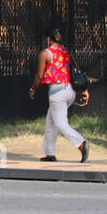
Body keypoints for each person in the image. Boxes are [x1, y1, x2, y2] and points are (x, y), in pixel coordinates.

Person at [29, 25, 89, 162]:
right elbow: (77, 72)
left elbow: (39, 76)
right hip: (70, 92)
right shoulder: (66, 52)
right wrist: (85, 90)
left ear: (48, 39)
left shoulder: (45, 54)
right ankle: (49, 153)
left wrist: (32, 89)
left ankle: (81, 143)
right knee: (51, 121)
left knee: (61, 124)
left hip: (57, 93)